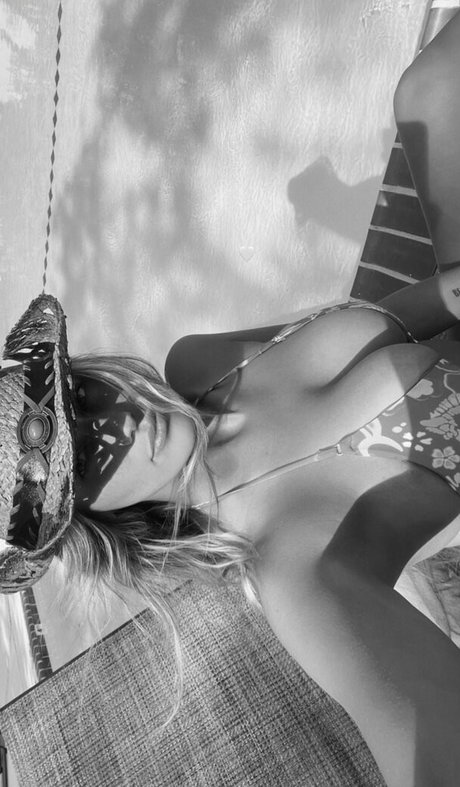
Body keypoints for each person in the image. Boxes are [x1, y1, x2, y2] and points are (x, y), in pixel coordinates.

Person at [3, 11, 460, 787]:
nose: (116, 422)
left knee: (431, 87)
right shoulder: (299, 570)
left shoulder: (200, 362)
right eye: (84, 460)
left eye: (80, 398)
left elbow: (407, 312)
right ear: (89, 518)